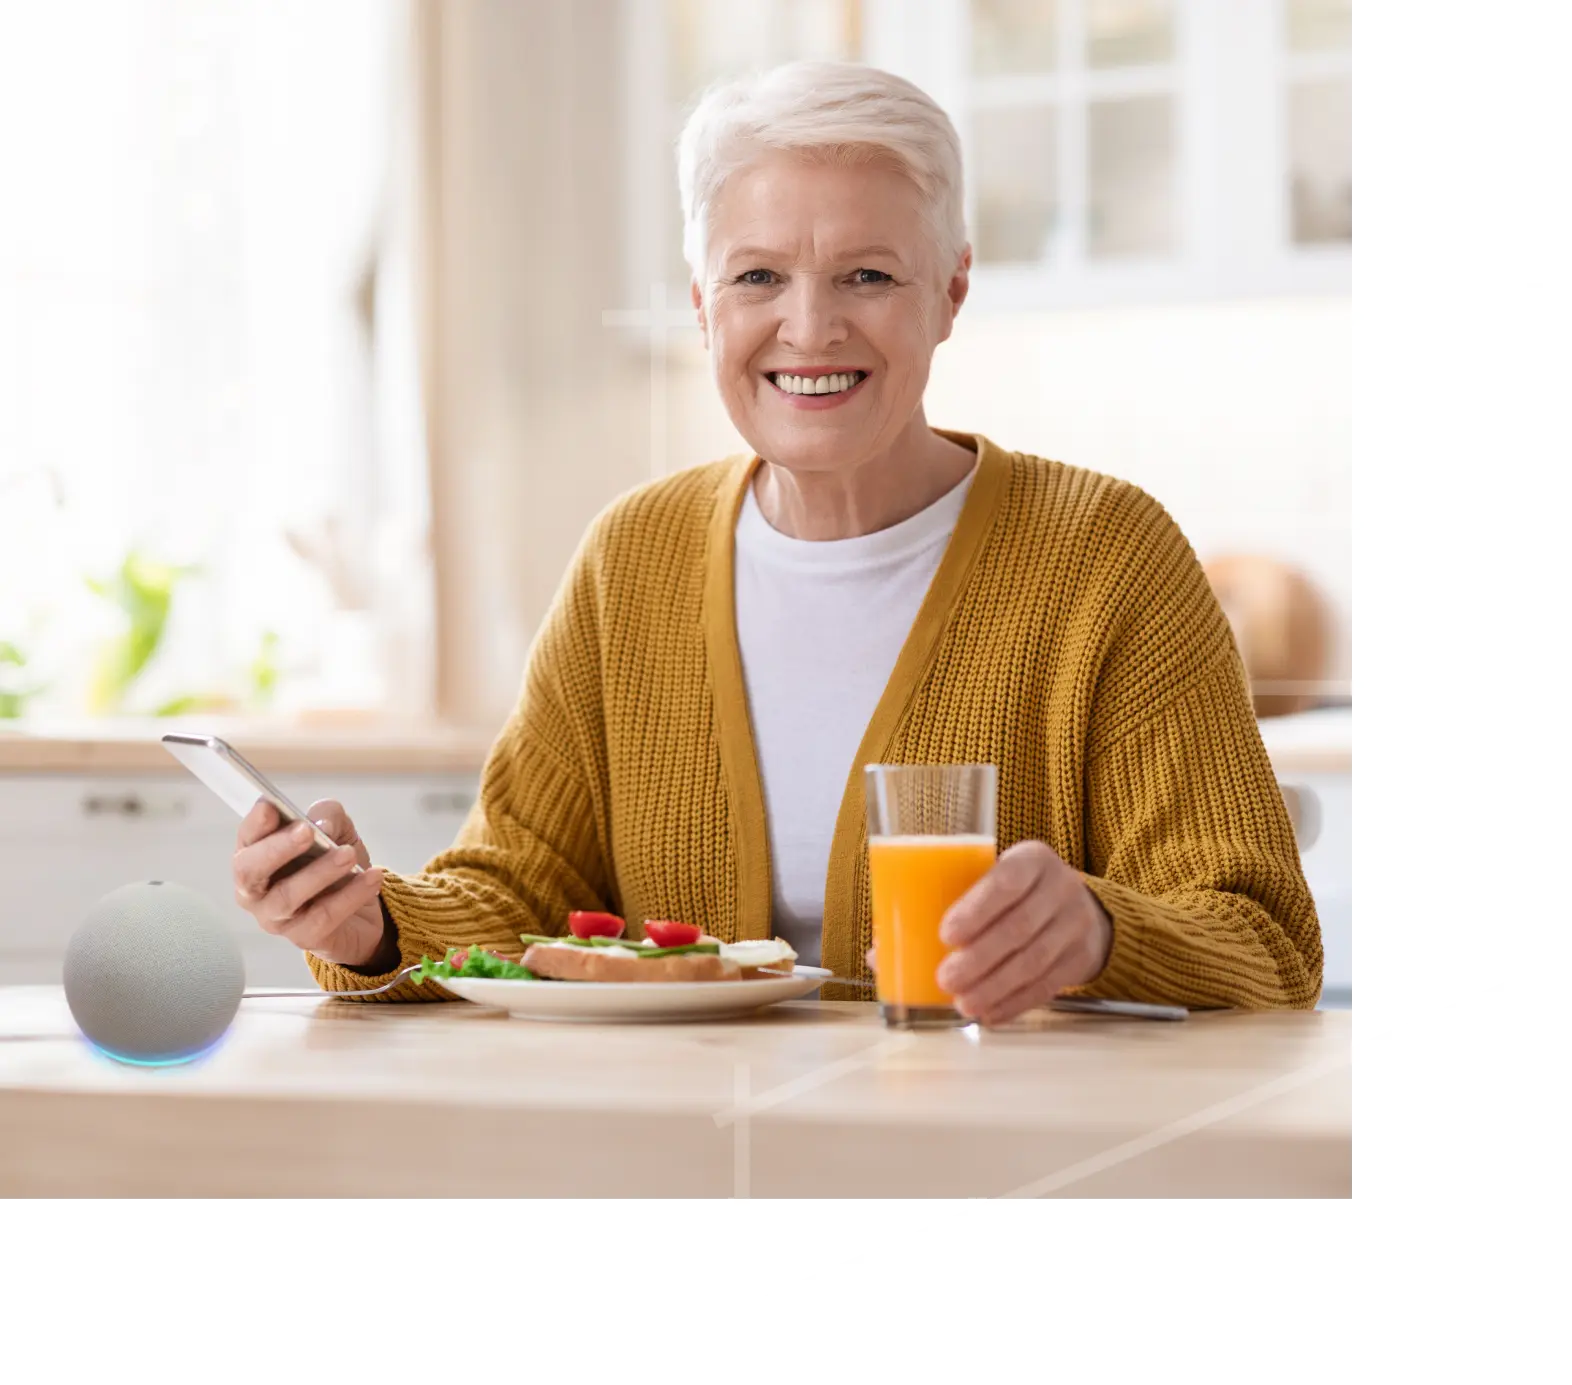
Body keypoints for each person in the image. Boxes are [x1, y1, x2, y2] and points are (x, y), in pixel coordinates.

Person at [231, 61, 1321, 1021]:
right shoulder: (633, 558)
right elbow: (518, 896)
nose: (810, 327)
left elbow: (1266, 940)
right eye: (759, 276)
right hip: (683, 1154)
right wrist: (371, 924)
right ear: (705, 306)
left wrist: (1099, 927)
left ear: (949, 294)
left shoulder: (1106, 556)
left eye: (869, 275)